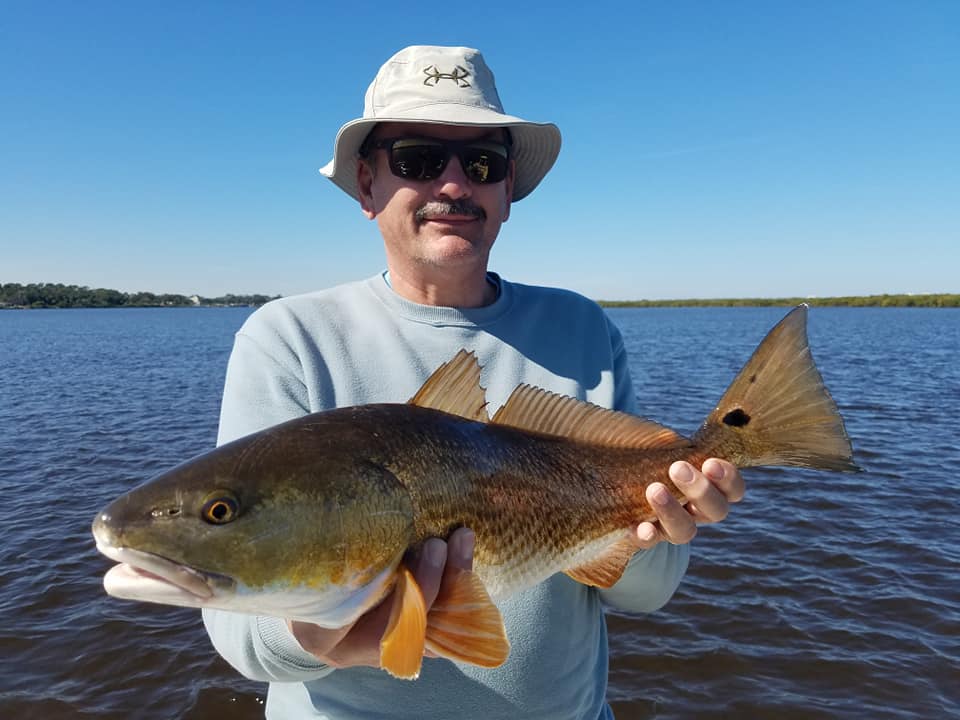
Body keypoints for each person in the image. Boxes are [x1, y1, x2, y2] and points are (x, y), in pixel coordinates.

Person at [203, 45, 744, 719]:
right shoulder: (290, 339)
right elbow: (237, 633)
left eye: (482, 164)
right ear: (367, 185)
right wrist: (319, 634)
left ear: (507, 193)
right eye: (417, 160)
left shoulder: (581, 328)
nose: (454, 185)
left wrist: (659, 527)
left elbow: (642, 594)